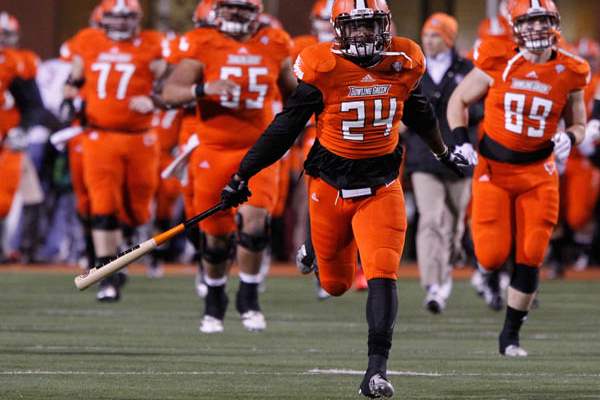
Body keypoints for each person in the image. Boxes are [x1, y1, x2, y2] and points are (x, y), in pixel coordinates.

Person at [215, 0, 470, 396]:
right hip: (329, 185)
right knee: (335, 285)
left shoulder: (404, 60)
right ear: (339, 31)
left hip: (382, 184)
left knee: (383, 270)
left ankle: (376, 371)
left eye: (371, 25)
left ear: (384, 25)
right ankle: (316, 245)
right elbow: (284, 129)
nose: (365, 34)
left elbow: (419, 112)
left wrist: (442, 152)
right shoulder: (322, 67)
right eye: (356, 27)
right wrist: (242, 174)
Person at [448, 0, 589, 357]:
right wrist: (462, 141)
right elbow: (458, 101)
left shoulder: (571, 68)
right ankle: (490, 276)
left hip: (538, 173)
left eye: (544, 21)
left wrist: (568, 138)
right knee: (492, 254)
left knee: (531, 253)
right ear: (514, 27)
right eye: (530, 22)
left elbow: (579, 123)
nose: (538, 29)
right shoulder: (497, 59)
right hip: (494, 170)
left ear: (554, 23)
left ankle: (510, 335)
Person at [162, 0, 298, 334]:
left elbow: (293, 92)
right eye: (229, 7)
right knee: (216, 237)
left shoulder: (275, 42)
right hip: (214, 148)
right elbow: (169, 91)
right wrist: (203, 88)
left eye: (242, 8)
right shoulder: (202, 42)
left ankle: (249, 298)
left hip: (260, 149)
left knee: (254, 224)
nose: (235, 14)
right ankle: (214, 298)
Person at [64, 0, 167, 301]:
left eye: (127, 18)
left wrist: (155, 100)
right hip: (100, 136)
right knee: (102, 205)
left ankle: (121, 253)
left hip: (141, 138)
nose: (121, 23)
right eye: (114, 17)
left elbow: (171, 82)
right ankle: (107, 274)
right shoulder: (88, 40)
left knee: (137, 210)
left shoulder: (152, 43)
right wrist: (72, 99)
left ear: (137, 19)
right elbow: (73, 81)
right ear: (103, 18)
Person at [405, 13, 481, 314]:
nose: (428, 40)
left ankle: (446, 271)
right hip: (425, 155)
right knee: (431, 218)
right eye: (426, 35)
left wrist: (455, 112)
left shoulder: (467, 69)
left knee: (454, 225)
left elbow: (481, 109)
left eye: (435, 35)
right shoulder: (415, 69)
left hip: (459, 155)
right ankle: (433, 285)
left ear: (448, 39)